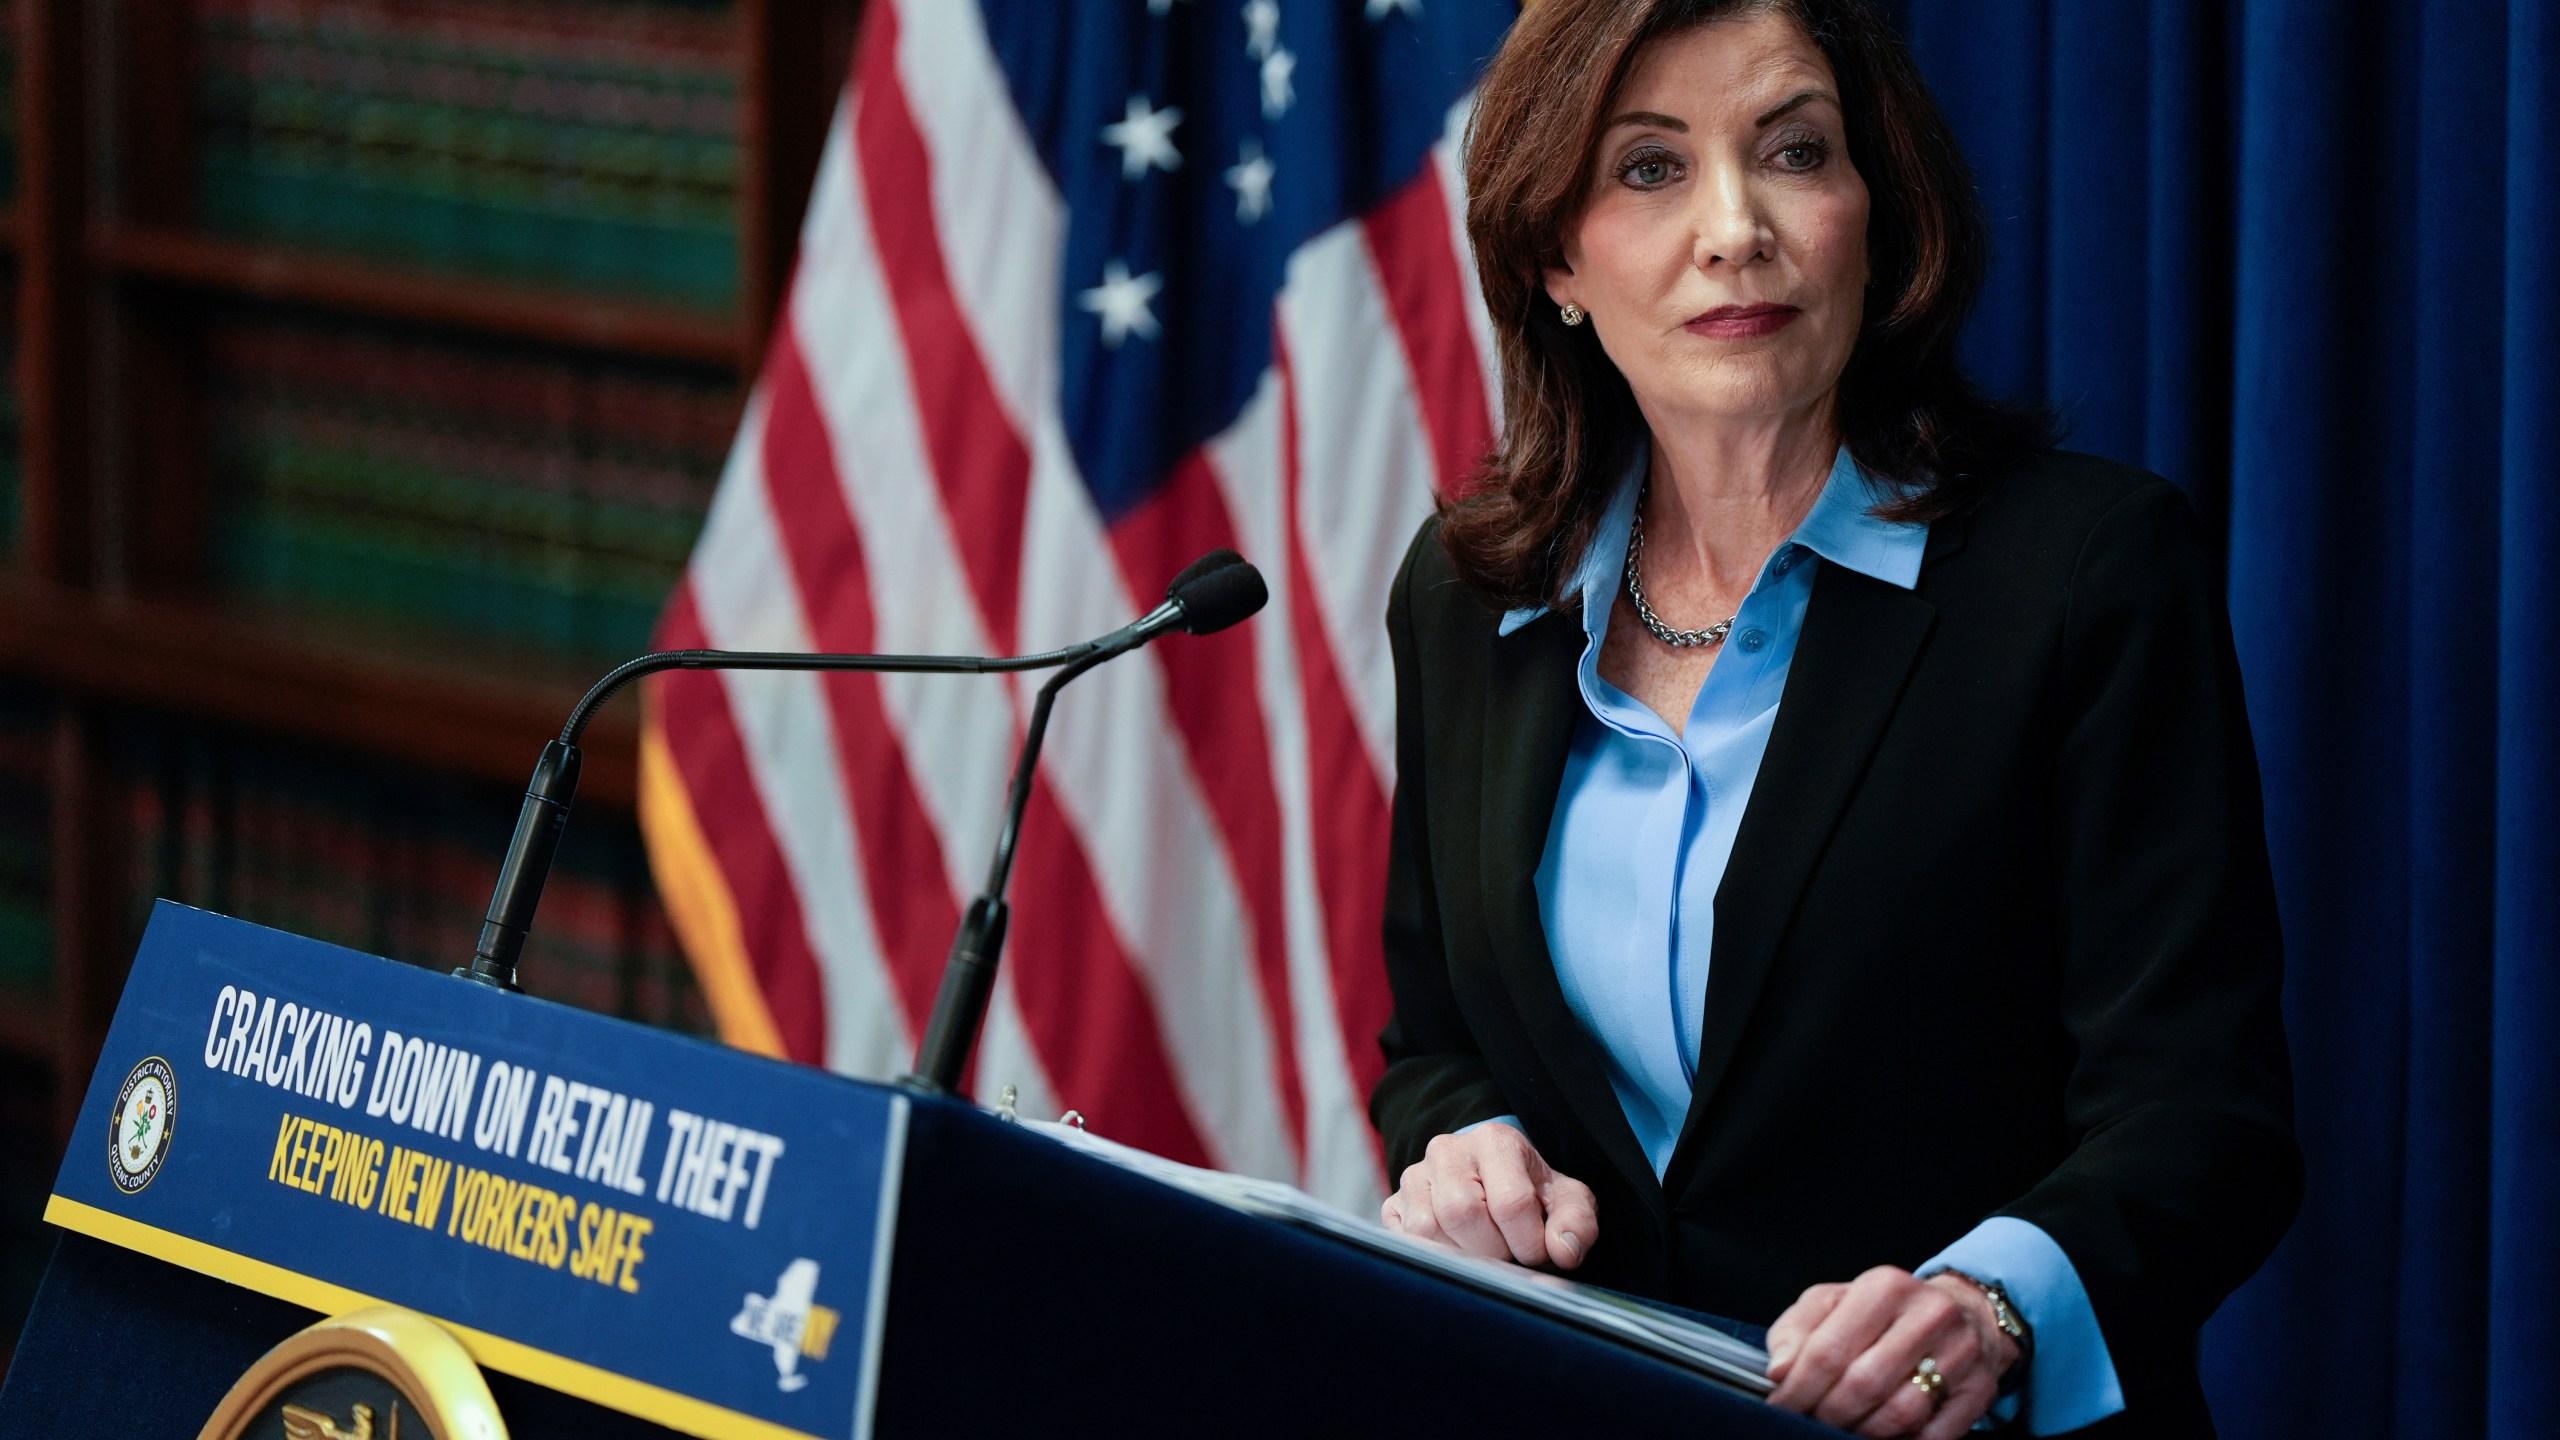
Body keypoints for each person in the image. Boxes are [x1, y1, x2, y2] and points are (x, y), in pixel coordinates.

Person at [1368, 2, 2300, 1436]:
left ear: (1880, 212)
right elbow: (1436, 1041)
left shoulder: (2087, 572)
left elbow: (2207, 1121)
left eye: (1795, 153)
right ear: (1554, 255)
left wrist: (1987, 1310)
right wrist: (1462, 1147)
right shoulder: (1469, 596)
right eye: (1650, 169)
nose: (1735, 228)